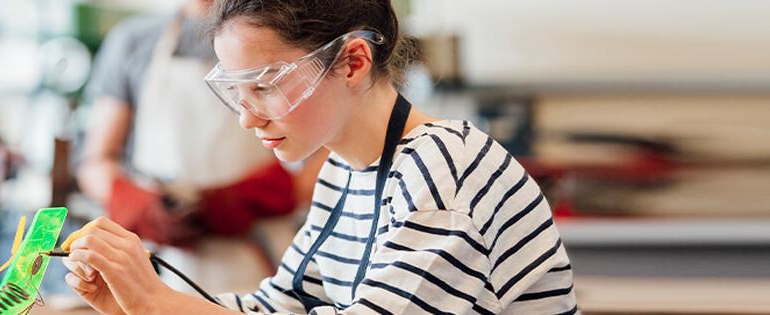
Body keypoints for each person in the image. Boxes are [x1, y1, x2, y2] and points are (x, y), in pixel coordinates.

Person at [60, 0, 578, 314]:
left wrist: (158, 302)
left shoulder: (445, 168)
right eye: (236, 91)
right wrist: (139, 303)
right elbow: (280, 307)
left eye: (264, 86)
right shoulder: (344, 171)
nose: (247, 118)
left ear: (352, 62)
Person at [72, 0, 325, 294]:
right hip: (159, 258)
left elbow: (330, 150)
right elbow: (96, 160)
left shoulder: (284, 34)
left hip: (258, 253)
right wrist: (135, 204)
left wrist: (264, 196)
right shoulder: (133, 42)